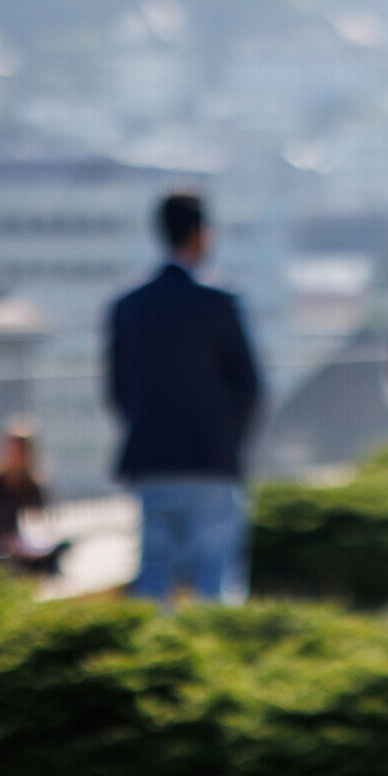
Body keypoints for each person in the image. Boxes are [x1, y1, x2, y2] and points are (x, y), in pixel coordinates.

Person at [107, 191, 262, 605]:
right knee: (214, 586)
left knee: (153, 585)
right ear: (199, 234)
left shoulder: (128, 306)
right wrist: (230, 442)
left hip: (151, 460)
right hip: (210, 461)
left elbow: (117, 390)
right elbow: (248, 385)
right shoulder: (218, 302)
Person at [0, 429, 70, 575]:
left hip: (27, 546)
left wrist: (36, 543)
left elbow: (44, 522)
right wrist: (10, 543)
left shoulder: (34, 486)